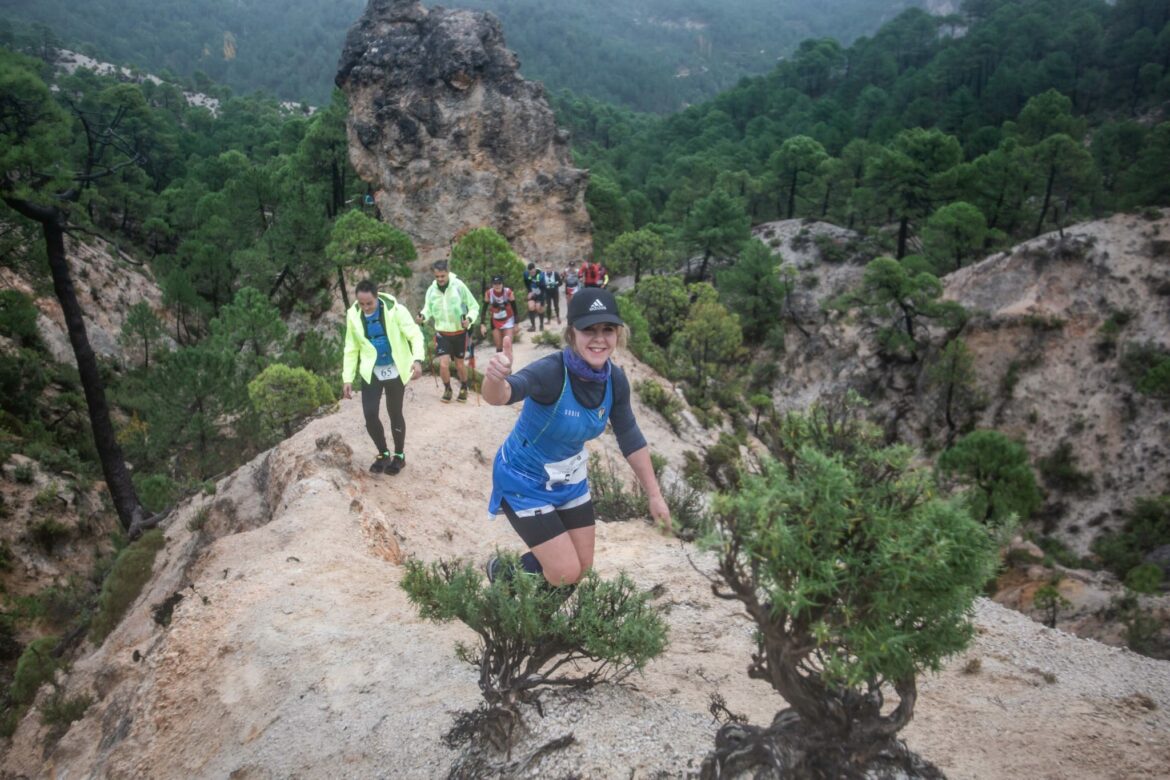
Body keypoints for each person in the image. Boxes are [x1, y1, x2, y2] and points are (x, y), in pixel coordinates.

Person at [482, 288, 672, 589]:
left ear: (618, 334)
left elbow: (630, 436)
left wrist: (654, 494)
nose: (599, 338)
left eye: (607, 329)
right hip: (523, 481)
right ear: (572, 333)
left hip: (569, 481)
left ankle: (543, 629)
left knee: (582, 567)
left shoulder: (615, 380)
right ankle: (504, 575)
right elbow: (502, 395)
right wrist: (495, 378)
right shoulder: (551, 372)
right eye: (589, 329)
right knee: (564, 572)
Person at [343, 279, 425, 474]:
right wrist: (347, 377)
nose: (365, 307)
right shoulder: (353, 316)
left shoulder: (395, 310)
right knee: (370, 414)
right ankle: (382, 453)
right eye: (361, 304)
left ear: (377, 298)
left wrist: (417, 359)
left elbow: (415, 334)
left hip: (395, 368)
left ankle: (399, 455)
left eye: (369, 303)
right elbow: (351, 348)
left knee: (394, 412)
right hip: (372, 370)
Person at [417, 260, 479, 403]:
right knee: (444, 364)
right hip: (442, 333)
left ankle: (464, 387)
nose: (440, 279)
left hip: (459, 332)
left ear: (448, 273)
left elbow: (474, 306)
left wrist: (469, 319)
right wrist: (423, 316)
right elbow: (428, 308)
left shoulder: (458, 286)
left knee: (459, 365)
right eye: (437, 276)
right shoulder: (432, 290)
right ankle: (447, 389)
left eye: (442, 276)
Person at [481, 274, 516, 362]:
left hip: (508, 320)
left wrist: (517, 323)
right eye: (495, 283)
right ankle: (501, 369)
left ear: (502, 284)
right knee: (499, 347)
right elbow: (484, 309)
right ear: (492, 284)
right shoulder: (489, 293)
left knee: (507, 345)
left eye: (499, 283)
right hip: (495, 321)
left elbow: (515, 308)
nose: (497, 285)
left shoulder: (508, 292)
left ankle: (509, 369)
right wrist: (482, 324)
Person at [522, 261, 546, 332]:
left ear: (535, 269)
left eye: (533, 271)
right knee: (531, 306)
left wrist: (535, 294)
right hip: (532, 292)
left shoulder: (541, 275)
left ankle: (541, 324)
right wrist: (529, 291)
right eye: (530, 271)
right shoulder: (526, 274)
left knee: (539, 308)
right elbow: (526, 283)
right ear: (528, 271)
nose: (532, 272)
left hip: (540, 293)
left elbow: (543, 288)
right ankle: (533, 326)